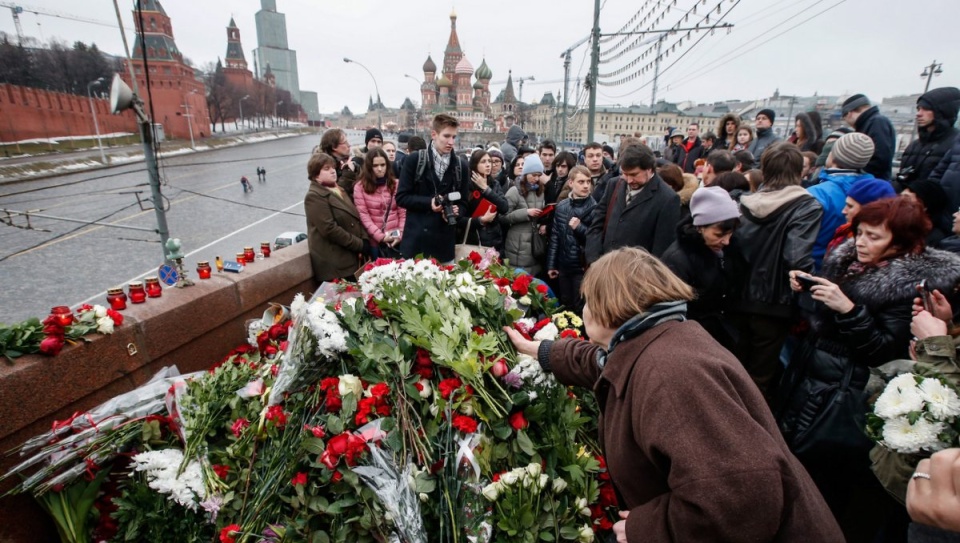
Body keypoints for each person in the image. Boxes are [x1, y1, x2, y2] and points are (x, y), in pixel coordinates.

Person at [503, 247, 843, 543]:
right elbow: (605, 365)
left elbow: (740, 499)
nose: (585, 309)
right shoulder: (661, 339)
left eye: (589, 300)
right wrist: (540, 350)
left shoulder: (671, 376)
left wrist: (648, 529)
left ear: (609, 306)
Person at [778, 197, 960, 543]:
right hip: (812, 382)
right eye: (860, 233)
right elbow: (818, 326)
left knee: (833, 490)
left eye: (873, 236)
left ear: (901, 241)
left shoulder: (908, 286)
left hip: (848, 400)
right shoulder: (848, 262)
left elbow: (883, 352)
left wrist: (848, 310)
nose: (861, 242)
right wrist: (807, 292)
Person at [733, 142, 823, 399]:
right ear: (799, 172)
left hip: (737, 297)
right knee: (760, 376)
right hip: (775, 303)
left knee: (732, 367)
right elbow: (796, 256)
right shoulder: (805, 206)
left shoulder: (743, 202)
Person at [661, 186, 744, 351]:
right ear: (700, 227)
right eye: (719, 235)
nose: (726, 241)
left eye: (730, 234)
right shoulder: (677, 259)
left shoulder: (730, 250)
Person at [395, 114, 470, 263]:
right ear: (434, 134)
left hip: (443, 246)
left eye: (454, 137)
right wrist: (429, 203)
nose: (451, 142)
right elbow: (401, 197)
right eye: (446, 136)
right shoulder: (414, 160)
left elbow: (464, 202)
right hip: (416, 246)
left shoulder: (461, 166)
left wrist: (456, 211)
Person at [586, 146, 680, 262]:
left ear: (649, 169)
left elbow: (661, 251)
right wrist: (594, 260)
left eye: (634, 174)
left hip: (636, 274)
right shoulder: (614, 185)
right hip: (604, 268)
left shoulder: (668, 198)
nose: (629, 180)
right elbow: (596, 226)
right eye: (625, 174)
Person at [807, 132, 879, 270]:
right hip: (856, 272)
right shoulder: (877, 191)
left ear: (833, 156)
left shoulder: (818, 193)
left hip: (815, 270)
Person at [304, 152, 368, 282]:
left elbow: (355, 218)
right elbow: (329, 229)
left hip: (352, 259)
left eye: (333, 167)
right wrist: (360, 244)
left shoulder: (339, 190)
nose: (333, 171)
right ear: (316, 175)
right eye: (326, 169)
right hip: (336, 265)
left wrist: (364, 240)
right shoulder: (314, 196)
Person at [546, 166, 595, 312]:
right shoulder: (562, 206)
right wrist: (551, 264)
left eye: (588, 181)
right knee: (565, 304)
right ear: (571, 183)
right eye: (581, 182)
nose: (586, 186)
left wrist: (579, 228)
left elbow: (596, 239)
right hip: (564, 266)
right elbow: (555, 237)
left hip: (582, 268)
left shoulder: (595, 208)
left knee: (581, 307)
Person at [898, 87, 960, 189]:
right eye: (918, 109)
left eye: (926, 109)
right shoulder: (914, 145)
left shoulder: (955, 145)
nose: (919, 114)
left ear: (941, 112)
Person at [824, 177, 897, 258]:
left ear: (868, 211)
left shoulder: (866, 251)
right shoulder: (844, 232)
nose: (843, 211)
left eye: (850, 206)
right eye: (859, 233)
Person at [353, 148, 405, 259]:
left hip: (397, 239)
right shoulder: (360, 187)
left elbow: (403, 213)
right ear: (369, 167)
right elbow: (364, 216)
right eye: (375, 166)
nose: (380, 169)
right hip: (376, 242)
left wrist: (400, 234)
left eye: (383, 165)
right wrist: (380, 237)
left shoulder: (396, 184)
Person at [501, 153, 547, 276]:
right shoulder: (514, 191)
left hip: (534, 243)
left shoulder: (541, 191)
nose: (536, 179)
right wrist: (525, 213)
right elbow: (503, 216)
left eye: (539, 175)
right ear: (525, 174)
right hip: (517, 244)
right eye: (534, 175)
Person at [457, 149, 509, 254]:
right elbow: (459, 219)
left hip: (493, 240)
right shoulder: (466, 186)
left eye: (489, 161)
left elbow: (504, 207)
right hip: (472, 239)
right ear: (474, 165)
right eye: (483, 161)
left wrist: (486, 189)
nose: (488, 165)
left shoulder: (494, 184)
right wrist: (481, 220)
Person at [842, 94, 896, 181]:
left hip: (873, 183)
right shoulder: (872, 122)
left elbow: (880, 158)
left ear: (849, 114)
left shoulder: (876, 122)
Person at [319, 128, 362, 201]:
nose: (349, 145)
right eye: (345, 142)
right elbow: (336, 197)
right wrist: (349, 172)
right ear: (334, 147)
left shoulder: (348, 162)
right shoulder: (324, 169)